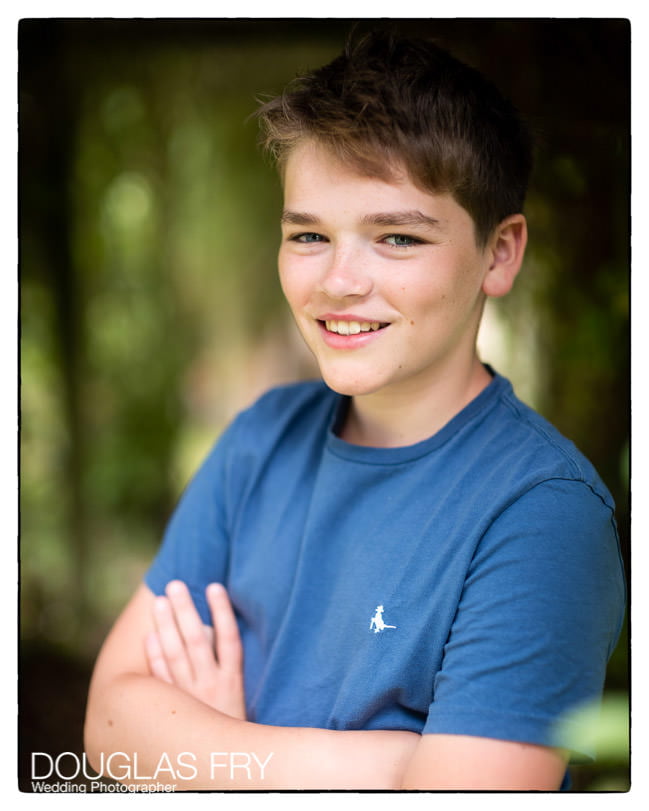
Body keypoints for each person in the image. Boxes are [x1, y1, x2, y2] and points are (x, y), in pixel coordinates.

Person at [84, 30, 626, 791]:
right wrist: (390, 762)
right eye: (308, 233)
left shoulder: (540, 515)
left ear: (498, 254)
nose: (338, 281)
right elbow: (109, 725)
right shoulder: (259, 441)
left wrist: (215, 755)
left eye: (396, 237)